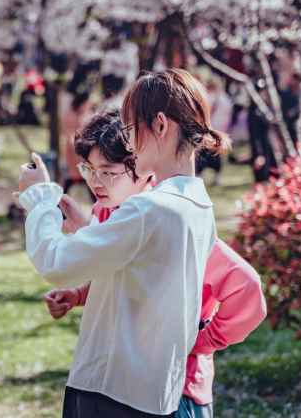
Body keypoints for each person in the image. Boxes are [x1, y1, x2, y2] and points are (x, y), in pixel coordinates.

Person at [17, 68, 230, 417]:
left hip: (109, 391)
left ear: (160, 125)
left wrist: (39, 197)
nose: (128, 144)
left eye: (131, 131)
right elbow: (136, 274)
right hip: (153, 395)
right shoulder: (198, 205)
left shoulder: (149, 209)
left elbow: (56, 262)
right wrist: (89, 227)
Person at [44, 110, 266, 417]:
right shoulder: (113, 212)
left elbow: (247, 288)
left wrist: (197, 342)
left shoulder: (167, 219)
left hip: (179, 391)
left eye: (108, 172)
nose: (96, 183)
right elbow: (128, 280)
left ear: (139, 166)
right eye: (89, 170)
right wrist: (81, 293)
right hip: (123, 390)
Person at [60, 93, 93, 197]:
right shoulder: (70, 115)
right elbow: (69, 135)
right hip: (74, 149)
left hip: (82, 150)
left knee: (87, 181)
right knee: (73, 178)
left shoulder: (87, 113)